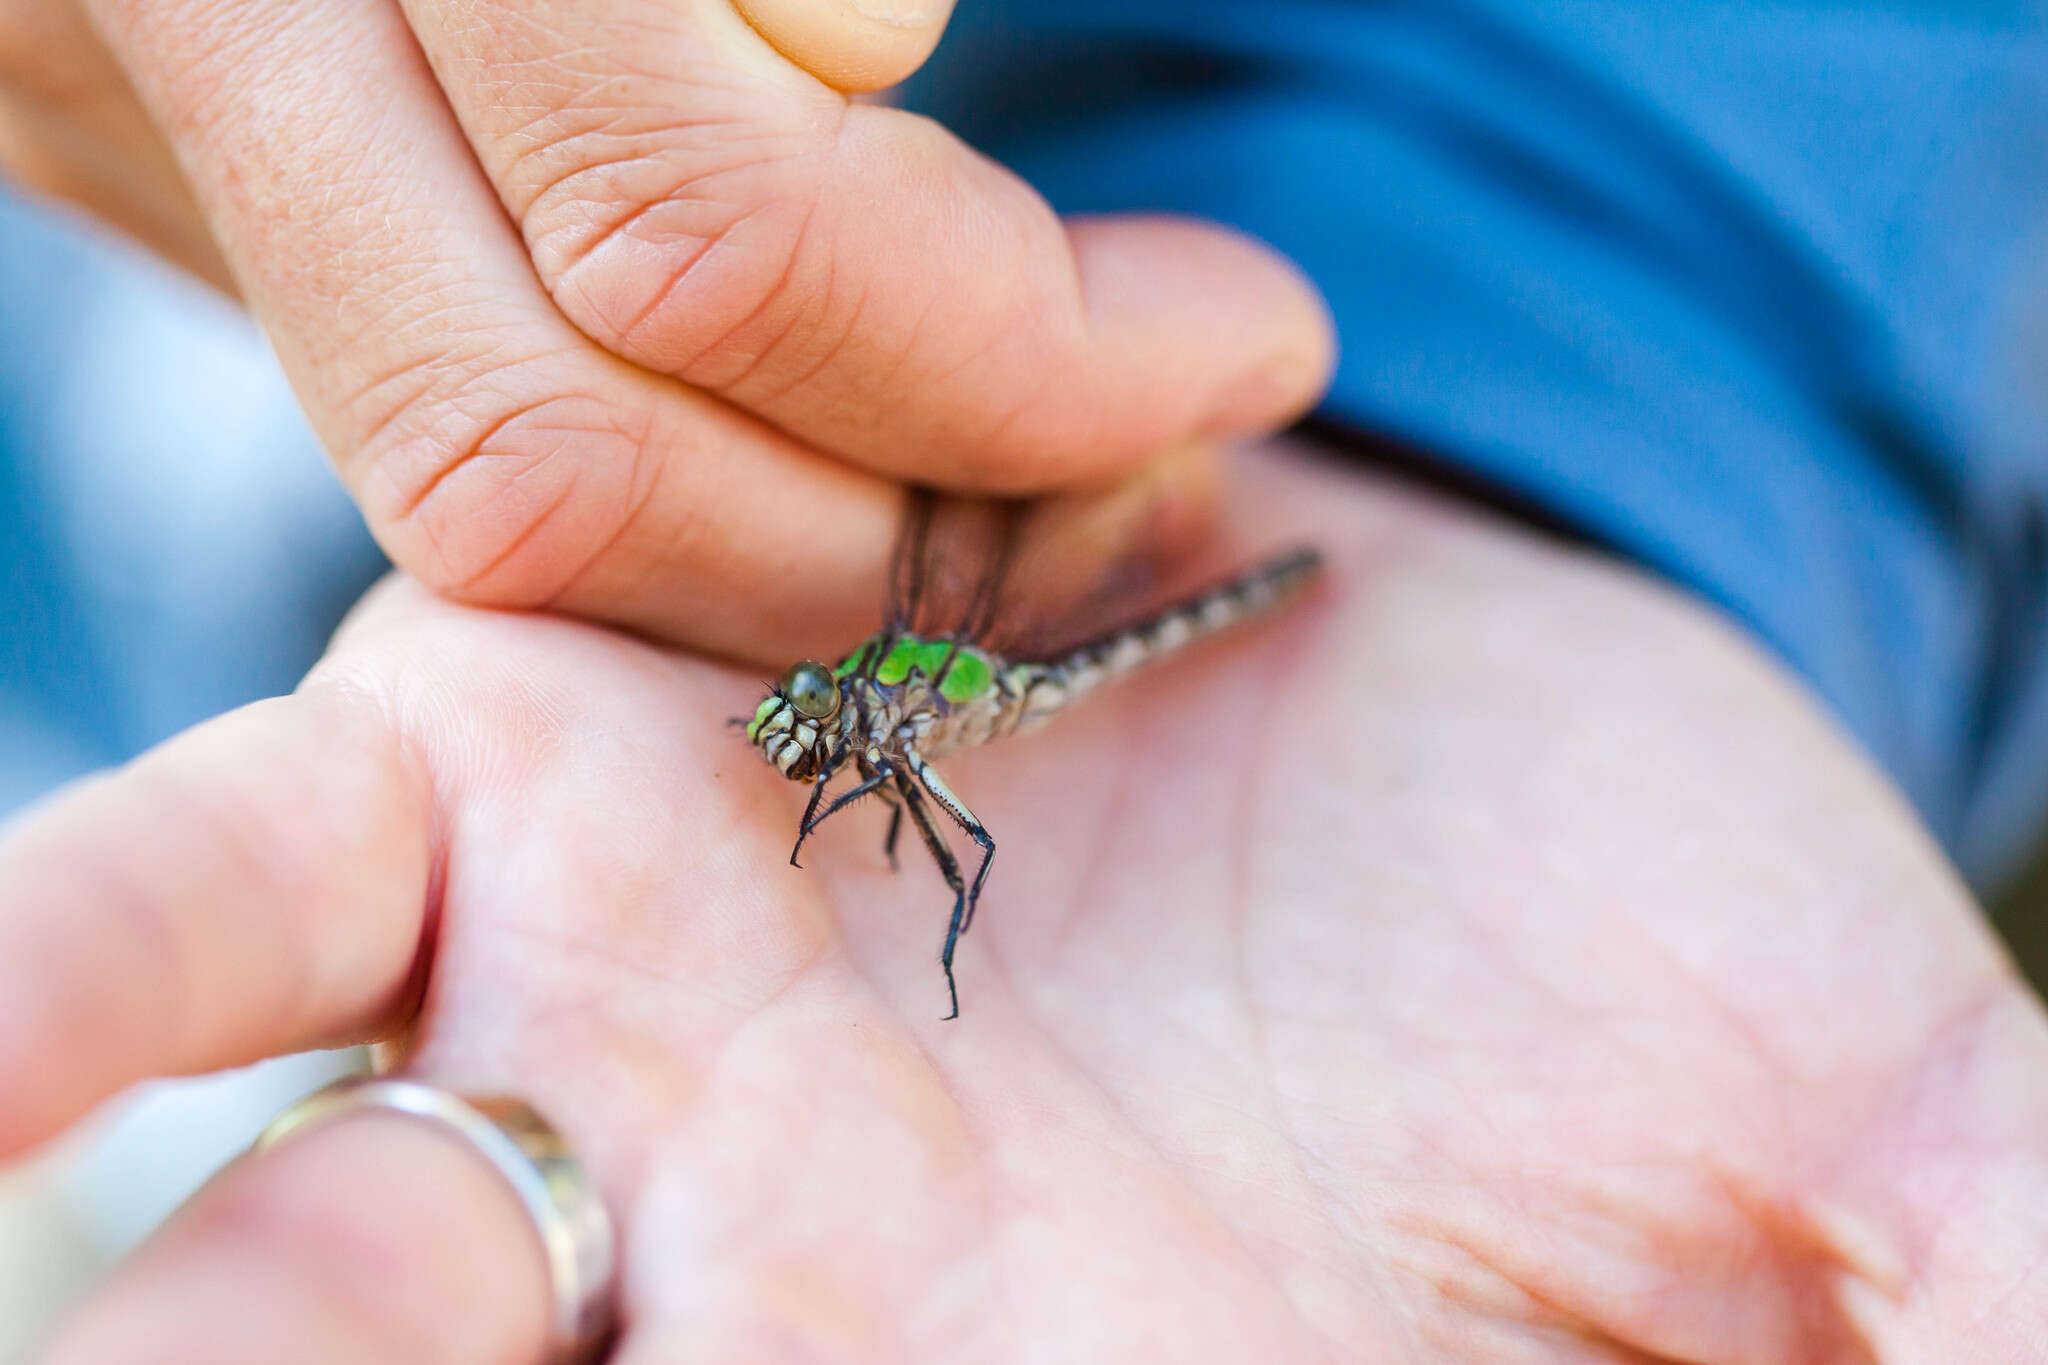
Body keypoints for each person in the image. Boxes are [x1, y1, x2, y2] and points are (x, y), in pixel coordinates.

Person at [2, 0, 2046, 1359]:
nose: (804, 746)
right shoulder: (843, 701)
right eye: (819, 735)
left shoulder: (904, 701)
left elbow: (935, 859)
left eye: (823, 732)